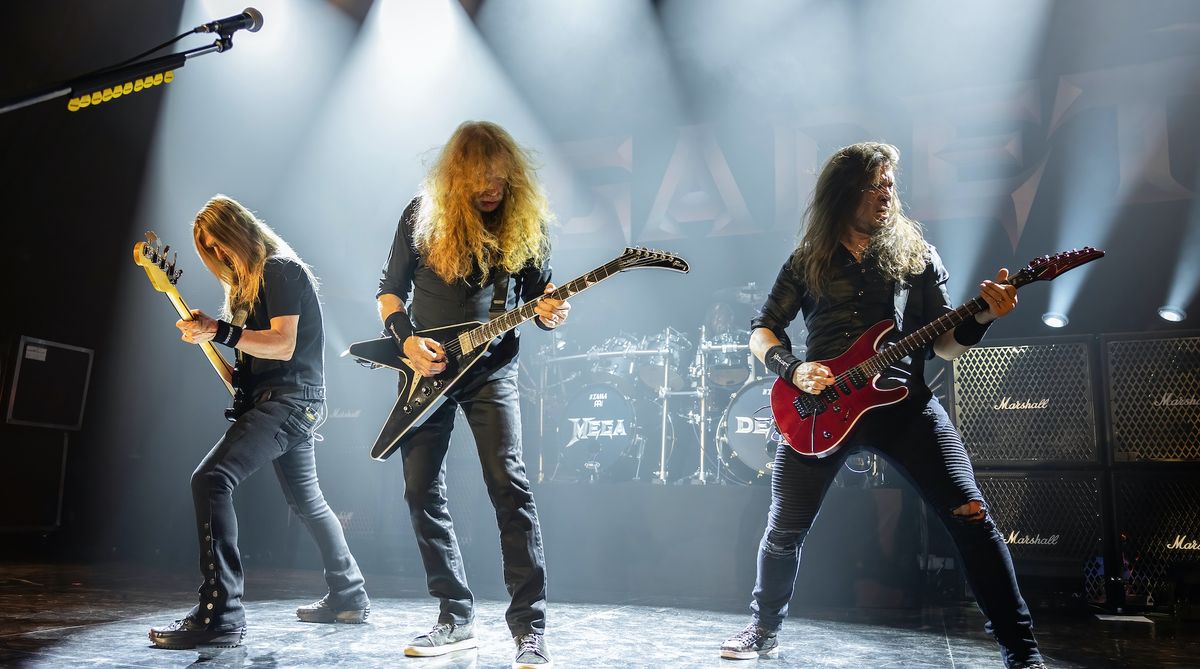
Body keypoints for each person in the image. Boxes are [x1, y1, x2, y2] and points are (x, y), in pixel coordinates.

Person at [719, 143, 1047, 669]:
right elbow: (761, 331)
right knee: (784, 529)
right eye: (876, 184)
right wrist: (793, 368)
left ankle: (1021, 648)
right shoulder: (808, 259)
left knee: (972, 514)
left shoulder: (917, 255)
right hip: (822, 408)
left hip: (904, 407)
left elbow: (943, 343)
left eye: (891, 184)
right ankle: (763, 629)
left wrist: (985, 316)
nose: (887, 193)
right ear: (844, 193)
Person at [376, 121, 569, 668]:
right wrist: (407, 343)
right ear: (457, 178)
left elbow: (541, 298)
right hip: (425, 370)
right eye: (481, 180)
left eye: (501, 181)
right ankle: (454, 615)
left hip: (491, 368)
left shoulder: (524, 224)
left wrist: (552, 312)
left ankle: (530, 628)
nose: (491, 189)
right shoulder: (422, 215)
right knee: (419, 490)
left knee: (509, 487)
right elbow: (389, 293)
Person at [149, 195, 369, 649]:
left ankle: (222, 612)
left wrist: (220, 331)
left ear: (240, 231)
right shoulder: (244, 291)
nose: (219, 254)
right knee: (308, 503)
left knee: (211, 479)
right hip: (279, 399)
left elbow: (284, 345)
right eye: (209, 249)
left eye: (220, 243)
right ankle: (349, 595)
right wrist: (216, 346)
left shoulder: (279, 269)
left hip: (292, 401)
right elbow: (246, 368)